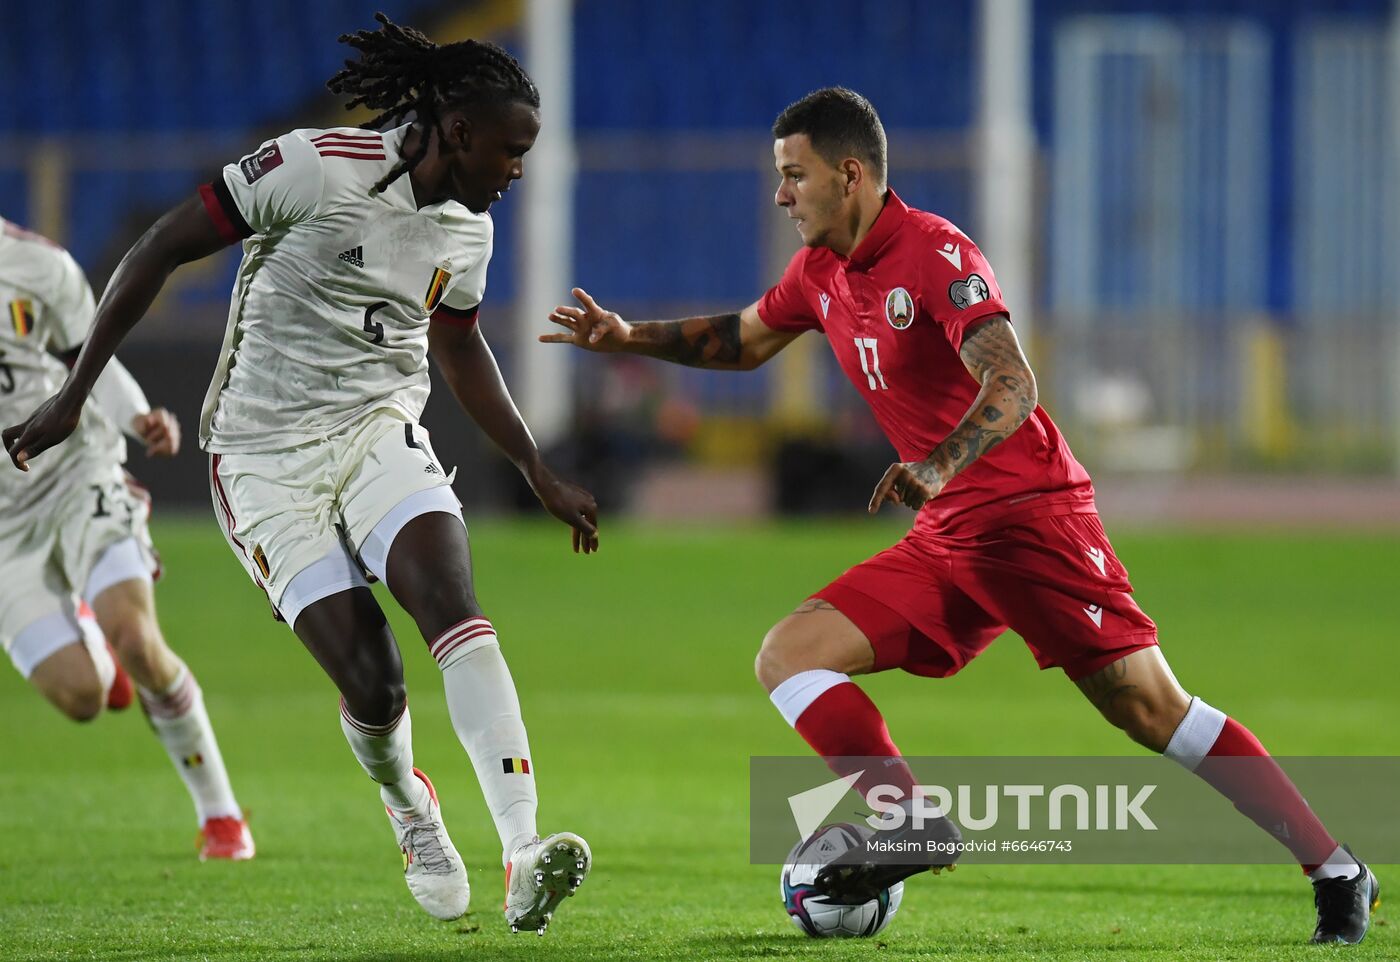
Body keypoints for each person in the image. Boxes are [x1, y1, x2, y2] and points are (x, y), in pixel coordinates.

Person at [541, 87, 1380, 945]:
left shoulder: (936, 254)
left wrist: (938, 463)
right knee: (790, 655)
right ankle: (912, 822)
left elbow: (1014, 383)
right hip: (947, 534)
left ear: (850, 174)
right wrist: (627, 337)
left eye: (795, 175)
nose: (782, 194)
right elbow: (744, 339)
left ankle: (1336, 868)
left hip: (1030, 518)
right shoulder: (820, 272)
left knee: (1149, 709)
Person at [5, 15, 593, 936]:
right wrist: (77, 394)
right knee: (375, 682)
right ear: (457, 131)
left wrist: (533, 466)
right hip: (263, 457)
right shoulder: (315, 166)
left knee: (451, 603)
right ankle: (409, 805)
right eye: (511, 151)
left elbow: (459, 344)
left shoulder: (467, 232)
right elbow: (162, 245)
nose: (519, 170)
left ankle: (523, 850)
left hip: (377, 430)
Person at [0, 216, 252, 860]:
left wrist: (137, 417)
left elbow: (88, 356)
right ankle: (89, 632)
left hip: (74, 474)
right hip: (4, 531)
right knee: (81, 696)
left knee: (137, 640)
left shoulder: (36, 267)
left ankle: (221, 815)